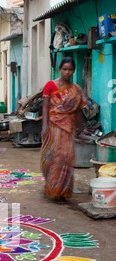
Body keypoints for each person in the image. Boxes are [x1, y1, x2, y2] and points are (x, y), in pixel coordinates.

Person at [41, 57, 87, 201]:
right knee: (53, 157)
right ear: (60, 69)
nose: (67, 72)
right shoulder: (50, 85)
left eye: (70, 69)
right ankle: (53, 187)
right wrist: (44, 126)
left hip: (69, 127)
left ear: (73, 71)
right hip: (53, 125)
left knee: (67, 158)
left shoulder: (75, 89)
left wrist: (82, 130)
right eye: (64, 69)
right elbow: (45, 107)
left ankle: (63, 191)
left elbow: (78, 110)